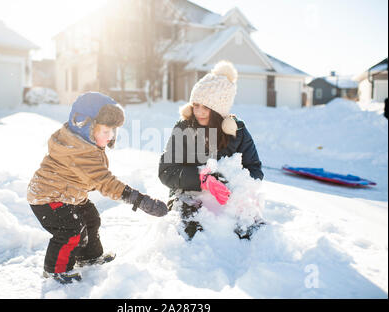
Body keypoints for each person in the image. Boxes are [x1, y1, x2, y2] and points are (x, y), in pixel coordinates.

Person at [27, 92, 168, 284]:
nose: (110, 137)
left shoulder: (83, 142)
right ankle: (55, 270)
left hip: (68, 194)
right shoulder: (79, 151)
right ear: (85, 126)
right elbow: (104, 182)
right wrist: (139, 200)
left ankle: (89, 256)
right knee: (70, 230)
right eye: (105, 131)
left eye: (113, 132)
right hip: (48, 197)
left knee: (90, 217)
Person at [158, 61, 263, 241]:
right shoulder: (184, 128)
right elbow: (166, 171)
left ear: (218, 110)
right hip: (187, 194)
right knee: (192, 232)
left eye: (205, 107)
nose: (198, 112)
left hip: (227, 197)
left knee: (250, 227)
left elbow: (254, 169)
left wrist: (233, 185)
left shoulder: (237, 131)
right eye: (196, 105)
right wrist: (201, 180)